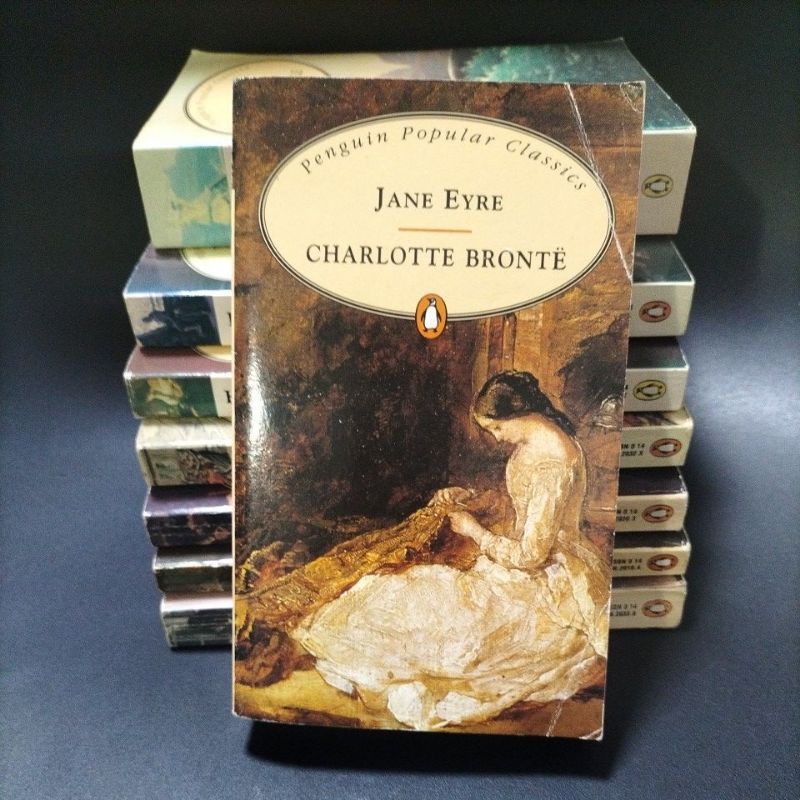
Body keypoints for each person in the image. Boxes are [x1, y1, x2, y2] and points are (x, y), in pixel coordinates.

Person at [289, 370, 610, 730]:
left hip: (545, 579)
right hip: (517, 564)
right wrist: (470, 498)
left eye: (496, 428)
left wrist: (475, 532)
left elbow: (532, 554)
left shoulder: (554, 460)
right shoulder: (536, 440)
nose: (496, 437)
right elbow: (523, 506)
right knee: (413, 594)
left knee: (453, 626)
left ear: (518, 413)